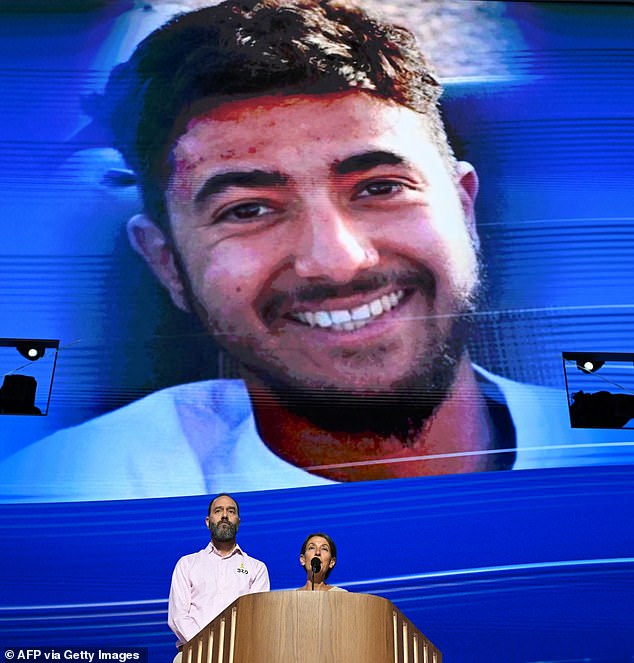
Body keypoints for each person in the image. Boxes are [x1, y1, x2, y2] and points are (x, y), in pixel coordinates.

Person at [1, 0, 632, 503]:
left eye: (381, 188)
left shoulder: (612, 458)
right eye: (246, 210)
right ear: (166, 263)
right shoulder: (64, 498)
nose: (339, 261)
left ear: (463, 207)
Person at [168, 494, 270, 660]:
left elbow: (255, 619)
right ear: (208, 522)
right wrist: (208, 646)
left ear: (238, 521)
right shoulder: (187, 564)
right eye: (218, 511)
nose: (224, 515)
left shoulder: (257, 568)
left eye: (231, 511)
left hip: (238, 654)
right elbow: (178, 617)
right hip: (193, 653)